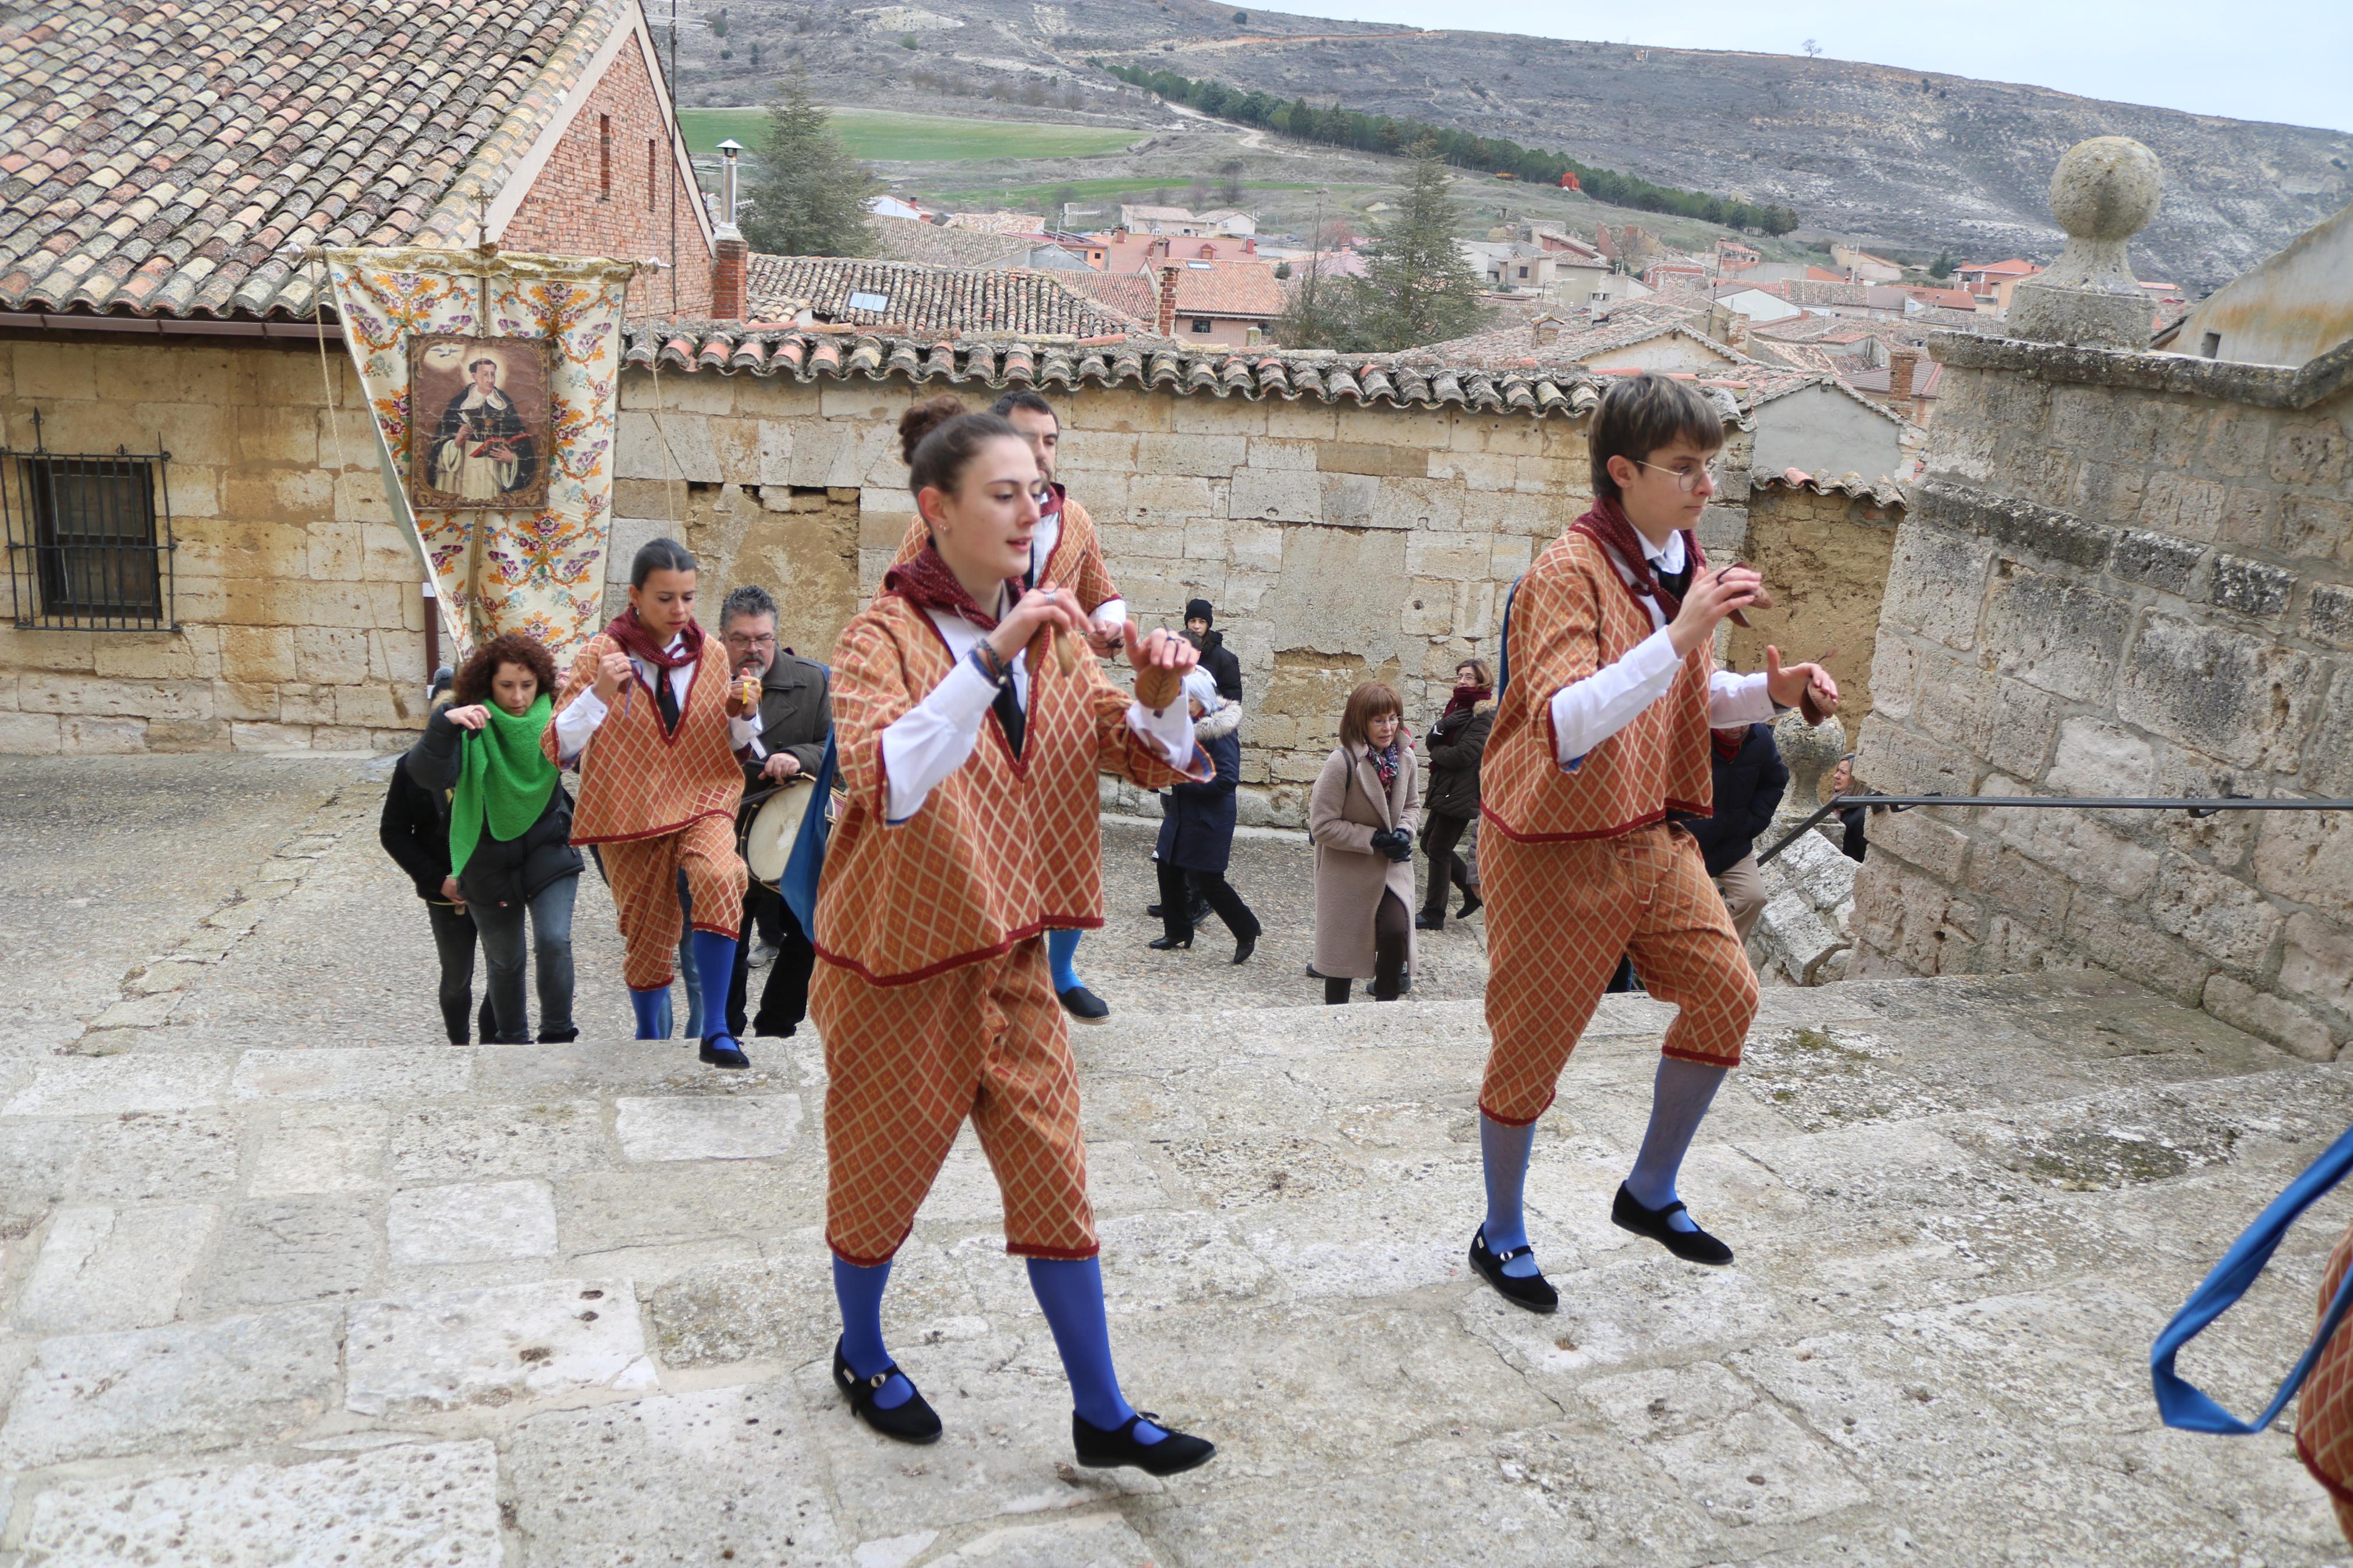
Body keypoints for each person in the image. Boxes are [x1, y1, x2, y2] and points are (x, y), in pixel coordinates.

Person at [814, 395, 1215, 1475]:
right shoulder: (880, 637)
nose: (1031, 511)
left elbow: (1131, 750)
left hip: (1013, 958)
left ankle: (1102, 1408)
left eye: (1038, 493)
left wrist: (1163, 697)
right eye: (1005, 492)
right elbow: (886, 774)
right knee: (878, 1178)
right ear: (934, 509)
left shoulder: (1051, 639)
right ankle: (859, 1350)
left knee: (1054, 1174)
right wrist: (993, 651)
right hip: (899, 967)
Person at [1468, 373, 1838, 1311]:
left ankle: (1648, 1190)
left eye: (1709, 465)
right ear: (1622, 472)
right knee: (1528, 1053)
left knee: (1726, 995)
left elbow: (1689, 697)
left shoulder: (1680, 560)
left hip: (1647, 829)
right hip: (1553, 844)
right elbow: (1568, 721)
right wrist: (1680, 632)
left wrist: (1773, 696)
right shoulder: (1564, 574)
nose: (1705, 484)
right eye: (1685, 467)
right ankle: (1500, 1232)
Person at [892, 390, 1122, 1026]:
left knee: (1066, 826)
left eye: (1049, 441)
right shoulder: (943, 518)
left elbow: (1102, 591)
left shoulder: (1075, 519)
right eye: (1025, 440)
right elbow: (903, 596)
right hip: (976, 682)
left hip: (1064, 681)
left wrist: (1110, 627)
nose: (1040, 454)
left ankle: (1060, 968)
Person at [546, 538, 762, 1068]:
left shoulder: (711, 653)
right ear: (635, 595)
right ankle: (649, 1038)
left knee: (721, 874)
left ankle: (716, 1030)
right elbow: (557, 747)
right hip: (628, 809)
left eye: (688, 597)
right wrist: (597, 692)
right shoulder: (599, 654)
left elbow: (738, 740)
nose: (680, 610)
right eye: (666, 598)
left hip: (702, 793)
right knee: (645, 938)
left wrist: (743, 711)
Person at [405, 632, 583, 1044]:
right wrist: (442, 727)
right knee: (505, 961)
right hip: (486, 859)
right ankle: (512, 1043)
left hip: (547, 848)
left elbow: (592, 755)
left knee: (555, 941)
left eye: (527, 685)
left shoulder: (556, 720)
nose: (518, 697)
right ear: (488, 685)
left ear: (540, 682)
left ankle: (558, 1035)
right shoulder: (467, 721)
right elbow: (428, 775)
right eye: (506, 686)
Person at [720, 584, 832, 1039]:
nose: (753, 649)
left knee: (810, 932)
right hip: (728, 829)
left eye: (762, 638)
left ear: (775, 636)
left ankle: (777, 1025)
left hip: (795, 831)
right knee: (726, 935)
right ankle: (725, 1025)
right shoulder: (706, 686)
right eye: (741, 638)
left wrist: (799, 758)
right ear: (723, 638)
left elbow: (836, 747)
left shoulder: (813, 680)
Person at [381, 671, 497, 1044]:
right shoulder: (410, 768)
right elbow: (394, 834)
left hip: (496, 886)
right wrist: (438, 881)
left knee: (504, 971)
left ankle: (491, 1042)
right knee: (457, 977)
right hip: (446, 894)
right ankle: (458, 1047)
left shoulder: (493, 762)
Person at [1308, 681, 1420, 1004]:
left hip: (1391, 869)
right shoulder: (1340, 763)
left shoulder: (1406, 759)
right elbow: (1323, 825)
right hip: (1347, 871)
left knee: (1396, 931)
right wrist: (1373, 838)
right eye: (1379, 720)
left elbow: (1412, 807)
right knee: (1341, 955)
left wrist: (1404, 832)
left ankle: (1385, 1006)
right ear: (1361, 721)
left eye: (1394, 718)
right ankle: (1334, 1019)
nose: (1389, 728)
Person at [1148, 668, 1259, 964]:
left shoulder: (1218, 732)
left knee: (1209, 880)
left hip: (1209, 817)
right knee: (1167, 867)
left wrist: (1181, 782)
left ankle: (1246, 930)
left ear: (1200, 699)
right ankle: (1178, 931)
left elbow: (1226, 779)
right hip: (1182, 812)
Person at [1684, 721, 1787, 941]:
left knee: (1753, 897)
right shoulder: (1688, 737)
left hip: (1733, 843)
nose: (1738, 729)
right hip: (1686, 844)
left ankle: (1720, 958)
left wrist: (1753, 822)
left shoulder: (1760, 738)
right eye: (1730, 722)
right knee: (1684, 909)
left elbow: (1774, 782)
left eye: (1744, 722)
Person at [1416, 658, 1495, 933]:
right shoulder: (1458, 708)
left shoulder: (1484, 714)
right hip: (1445, 789)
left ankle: (1434, 913)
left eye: (1469, 677)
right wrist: (1440, 728)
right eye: (1460, 676)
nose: (1462, 681)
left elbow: (1463, 755)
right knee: (1428, 844)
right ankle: (1472, 892)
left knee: (1438, 848)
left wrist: (1436, 750)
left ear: (1482, 681)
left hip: (1462, 792)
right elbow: (1431, 739)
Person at [428, 355, 536, 503]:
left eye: (493, 374)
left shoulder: (505, 405)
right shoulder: (459, 404)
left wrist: (512, 459)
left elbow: (521, 442)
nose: (490, 379)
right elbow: (438, 445)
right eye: (485, 374)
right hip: (463, 469)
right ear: (474, 377)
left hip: (494, 470)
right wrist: (456, 442)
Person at [1183, 598, 1243, 704]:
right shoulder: (1174, 651)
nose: (1197, 626)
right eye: (1193, 621)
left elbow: (1231, 700)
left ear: (1208, 625)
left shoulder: (1225, 659)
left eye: (1202, 622)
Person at [1829, 753, 1871, 862]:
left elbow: (1864, 858)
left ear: (1856, 780)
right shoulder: (1839, 806)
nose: (1836, 776)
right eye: (1837, 771)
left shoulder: (1861, 816)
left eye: (1843, 773)